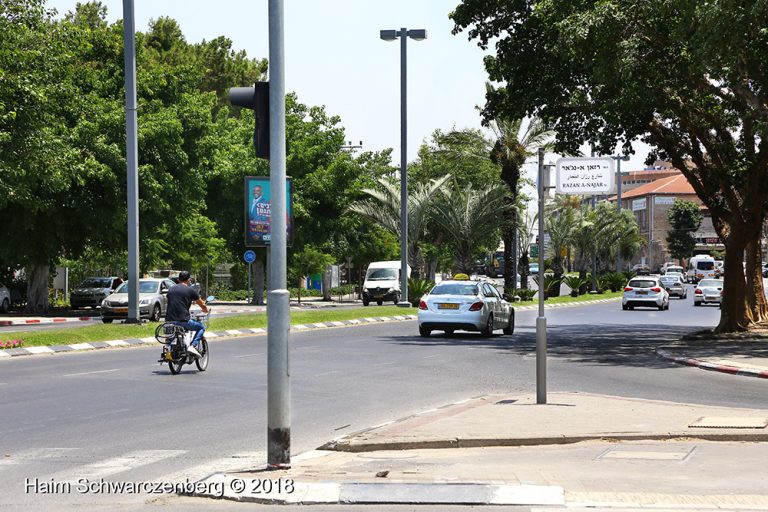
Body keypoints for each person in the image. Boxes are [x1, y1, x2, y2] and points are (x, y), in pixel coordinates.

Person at [165, 271, 209, 358]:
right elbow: (201, 304)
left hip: (169, 320)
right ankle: (192, 346)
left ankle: (167, 350)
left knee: (170, 336)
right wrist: (206, 310)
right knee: (201, 327)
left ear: (178, 279)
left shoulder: (171, 289)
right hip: (183, 320)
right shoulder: (190, 290)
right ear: (189, 280)